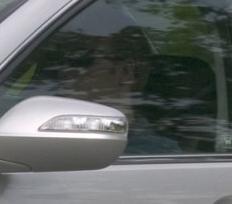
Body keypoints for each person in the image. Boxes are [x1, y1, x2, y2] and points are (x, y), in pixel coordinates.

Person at [17, 19, 181, 156]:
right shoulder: (52, 135)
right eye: (59, 61)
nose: (63, 71)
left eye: (80, 59)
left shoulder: (152, 153)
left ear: (124, 72)